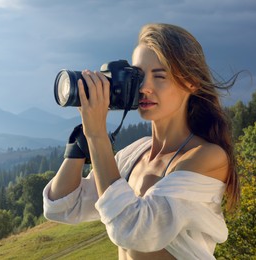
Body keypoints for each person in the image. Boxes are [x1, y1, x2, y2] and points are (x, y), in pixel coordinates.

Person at [42, 23, 240, 259]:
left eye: (159, 76)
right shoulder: (135, 154)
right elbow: (62, 206)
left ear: (191, 82)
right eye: (139, 76)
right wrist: (82, 139)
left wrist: (97, 135)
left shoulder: (207, 157)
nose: (145, 88)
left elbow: (135, 229)